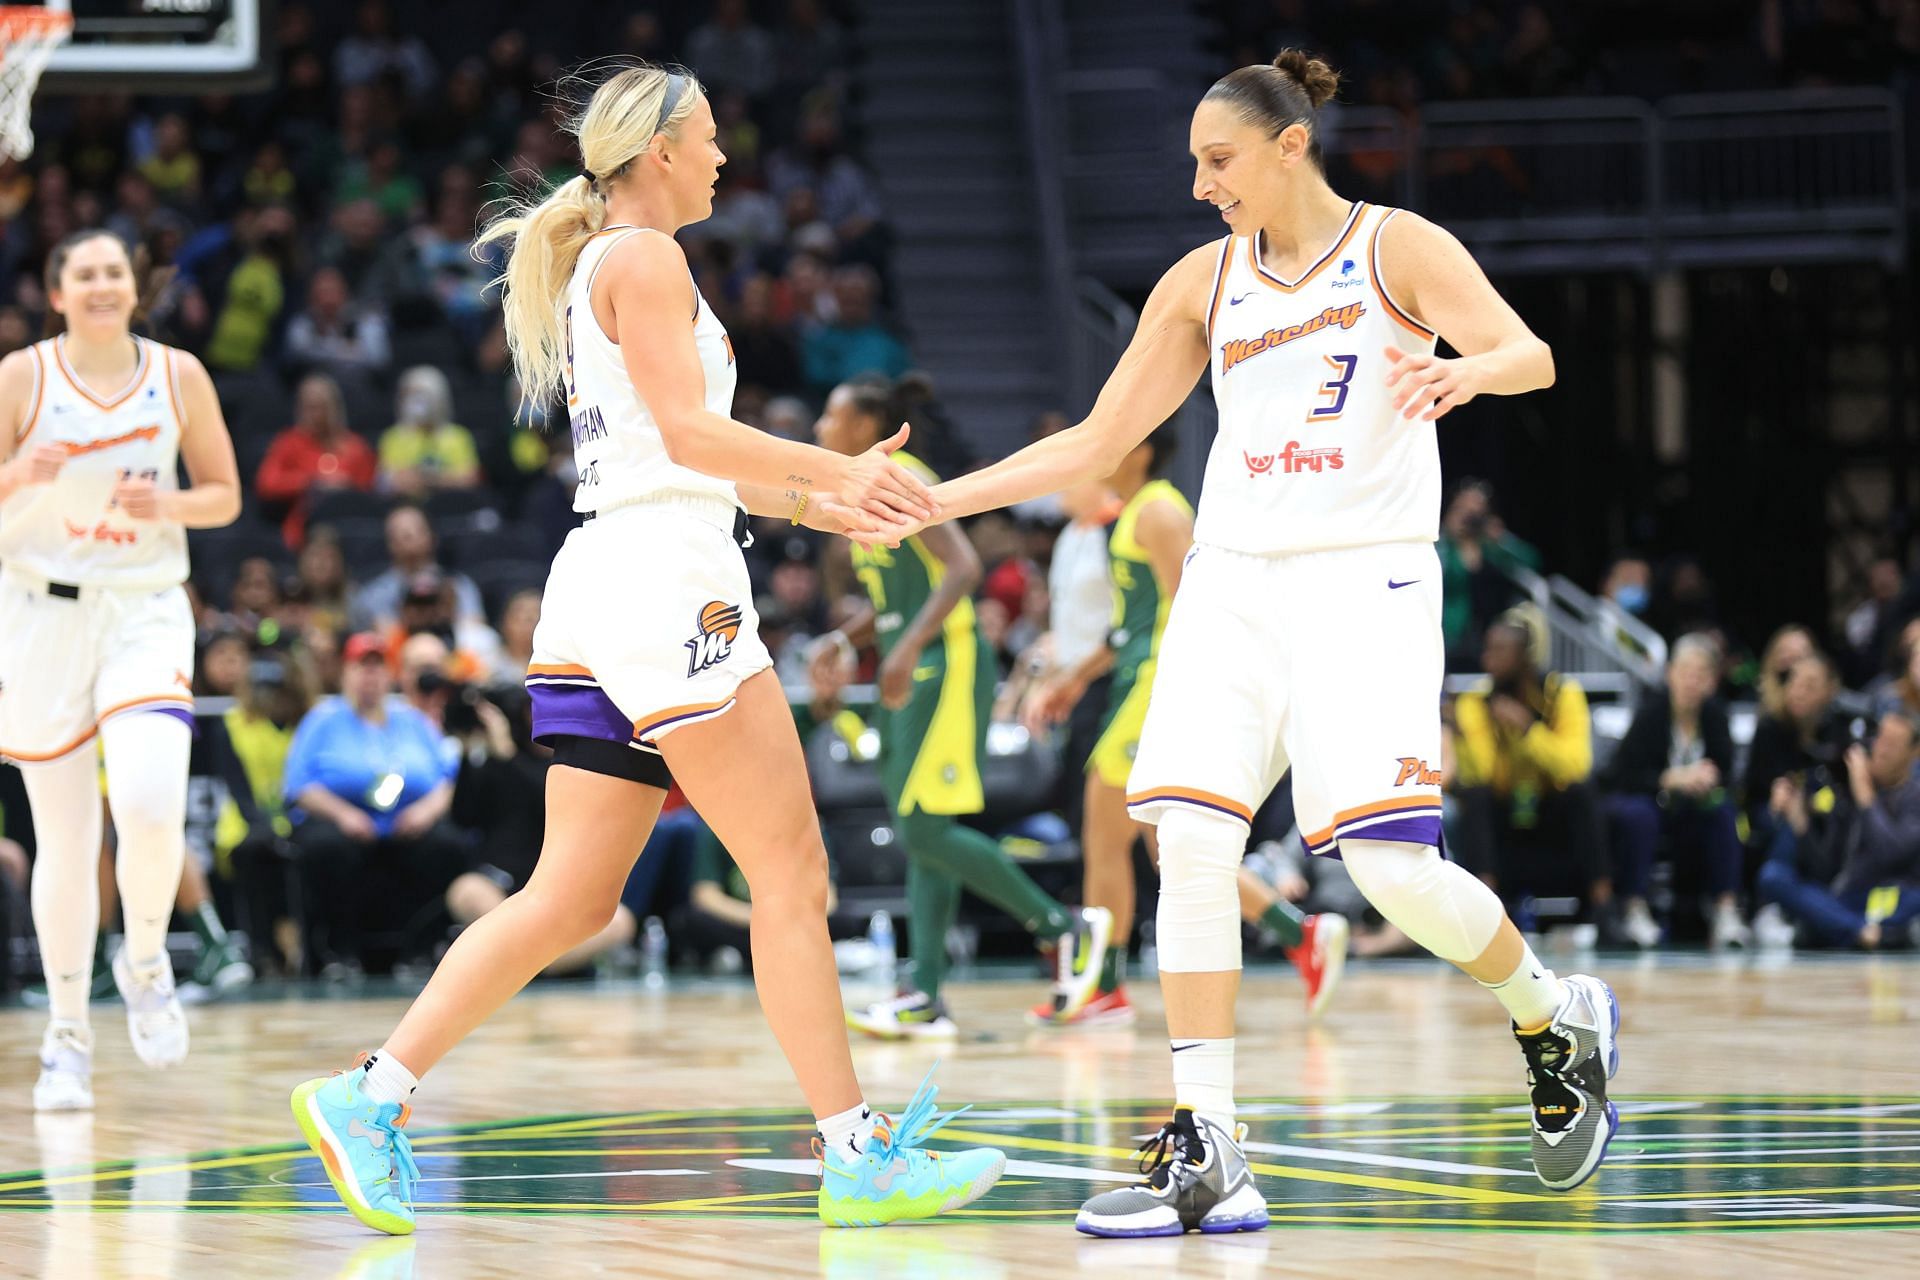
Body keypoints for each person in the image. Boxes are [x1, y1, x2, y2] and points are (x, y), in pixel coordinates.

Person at [871, 51, 1618, 1231]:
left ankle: (1550, 1010)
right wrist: (936, 499)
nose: (1201, 185)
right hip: (1230, 586)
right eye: (1193, 165)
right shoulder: (1201, 283)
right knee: (1191, 837)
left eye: (1217, 160)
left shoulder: (1395, 246)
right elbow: (1091, 442)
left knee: (1387, 872)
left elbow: (1534, 355)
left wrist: (1463, 372)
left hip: (1364, 580)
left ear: (1289, 145)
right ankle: (1208, 1142)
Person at [290, 63, 1003, 1237]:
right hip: (664, 582)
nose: (726, 158)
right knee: (792, 873)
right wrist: (838, 469)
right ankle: (855, 1151)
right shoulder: (647, 256)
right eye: (712, 137)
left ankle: (368, 1095)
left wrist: (832, 508)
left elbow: (680, 456)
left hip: (607, 577)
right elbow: (688, 435)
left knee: (569, 896)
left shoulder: (613, 264)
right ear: (658, 149)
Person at [0, 228, 242, 1111]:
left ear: (132, 287)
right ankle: (66, 1037)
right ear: (57, 292)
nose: (101, 285)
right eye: (83, 274)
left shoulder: (177, 374)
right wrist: (20, 471)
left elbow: (225, 494)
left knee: (146, 805)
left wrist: (168, 501)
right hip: (37, 611)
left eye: (113, 272)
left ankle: (144, 961)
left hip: (143, 607)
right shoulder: (23, 376)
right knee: (63, 840)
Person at [812, 376, 1113, 1039]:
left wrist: (903, 649)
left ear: (868, 423)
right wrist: (843, 640)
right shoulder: (860, 485)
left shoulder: (903, 473)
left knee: (924, 829)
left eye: (834, 416)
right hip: (908, 668)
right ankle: (924, 993)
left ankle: (1062, 928)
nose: (821, 428)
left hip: (944, 668)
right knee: (922, 836)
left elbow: (963, 568)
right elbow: (896, 601)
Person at [1022, 424, 1347, 1023]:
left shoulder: (1159, 511)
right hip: (1137, 681)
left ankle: (1104, 987)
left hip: (1159, 688)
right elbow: (1134, 627)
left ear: (1140, 449)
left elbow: (1196, 604)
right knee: (1169, 846)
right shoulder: (1132, 514)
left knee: (1104, 827)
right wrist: (1076, 676)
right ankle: (1300, 934)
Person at [282, 633, 466, 975]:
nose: (370, 677)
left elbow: (447, 779)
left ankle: (422, 949)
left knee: (448, 844)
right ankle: (339, 951)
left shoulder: (412, 720)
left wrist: (426, 811)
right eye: (361, 668)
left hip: (406, 822)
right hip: (341, 822)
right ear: (345, 673)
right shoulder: (323, 719)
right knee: (328, 847)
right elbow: (299, 785)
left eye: (378, 668)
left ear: (390, 675)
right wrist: (344, 814)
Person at [1451, 614, 1616, 938]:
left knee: (1583, 793)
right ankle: (1489, 911)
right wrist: (1486, 728)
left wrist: (1528, 731)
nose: (1488, 660)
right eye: (1488, 650)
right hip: (1505, 807)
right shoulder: (1475, 700)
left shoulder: (1561, 694)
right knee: (1476, 796)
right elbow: (1482, 772)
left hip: (1549, 806)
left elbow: (1576, 765)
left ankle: (1605, 907)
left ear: (1524, 657)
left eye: (1500, 651)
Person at [1602, 634, 1747, 949]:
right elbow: (1623, 775)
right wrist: (1670, 779)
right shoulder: (1652, 713)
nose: (1692, 681)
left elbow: (1727, 769)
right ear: (1671, 674)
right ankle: (1634, 908)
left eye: (1701, 674)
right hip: (1652, 803)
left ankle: (1725, 909)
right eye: (1685, 672)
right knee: (1639, 816)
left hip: (1692, 809)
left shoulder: (1714, 715)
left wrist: (1710, 778)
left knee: (1724, 814)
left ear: (1712, 681)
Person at [1758, 710, 1920, 948]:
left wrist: (1865, 795)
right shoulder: (1847, 791)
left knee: (1913, 900)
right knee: (1774, 875)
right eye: (1880, 739)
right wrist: (1800, 821)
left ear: (1914, 752)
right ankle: (1862, 932)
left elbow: (1890, 853)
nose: (1882, 750)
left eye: (1893, 744)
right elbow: (1826, 868)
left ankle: (1834, 927)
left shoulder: (1913, 797)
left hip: (1889, 898)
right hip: (1844, 898)